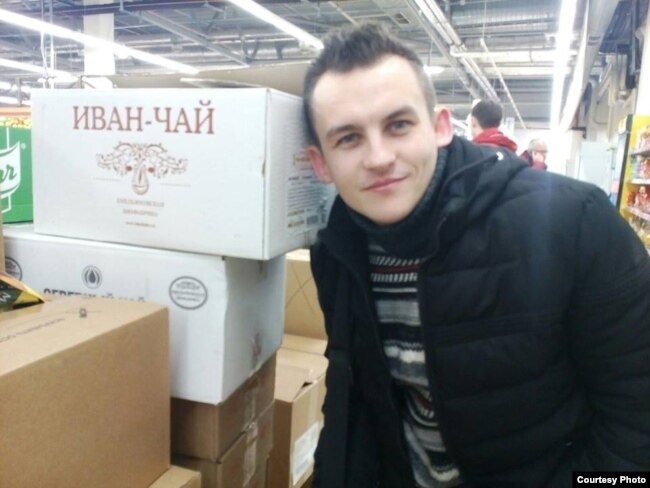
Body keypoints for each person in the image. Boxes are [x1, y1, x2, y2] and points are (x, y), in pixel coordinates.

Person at [303, 22, 650, 488]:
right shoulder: (338, 253)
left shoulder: (574, 224)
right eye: (348, 138)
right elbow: (353, 398)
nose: (379, 157)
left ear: (441, 127)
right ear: (320, 163)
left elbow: (637, 410)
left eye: (399, 125)